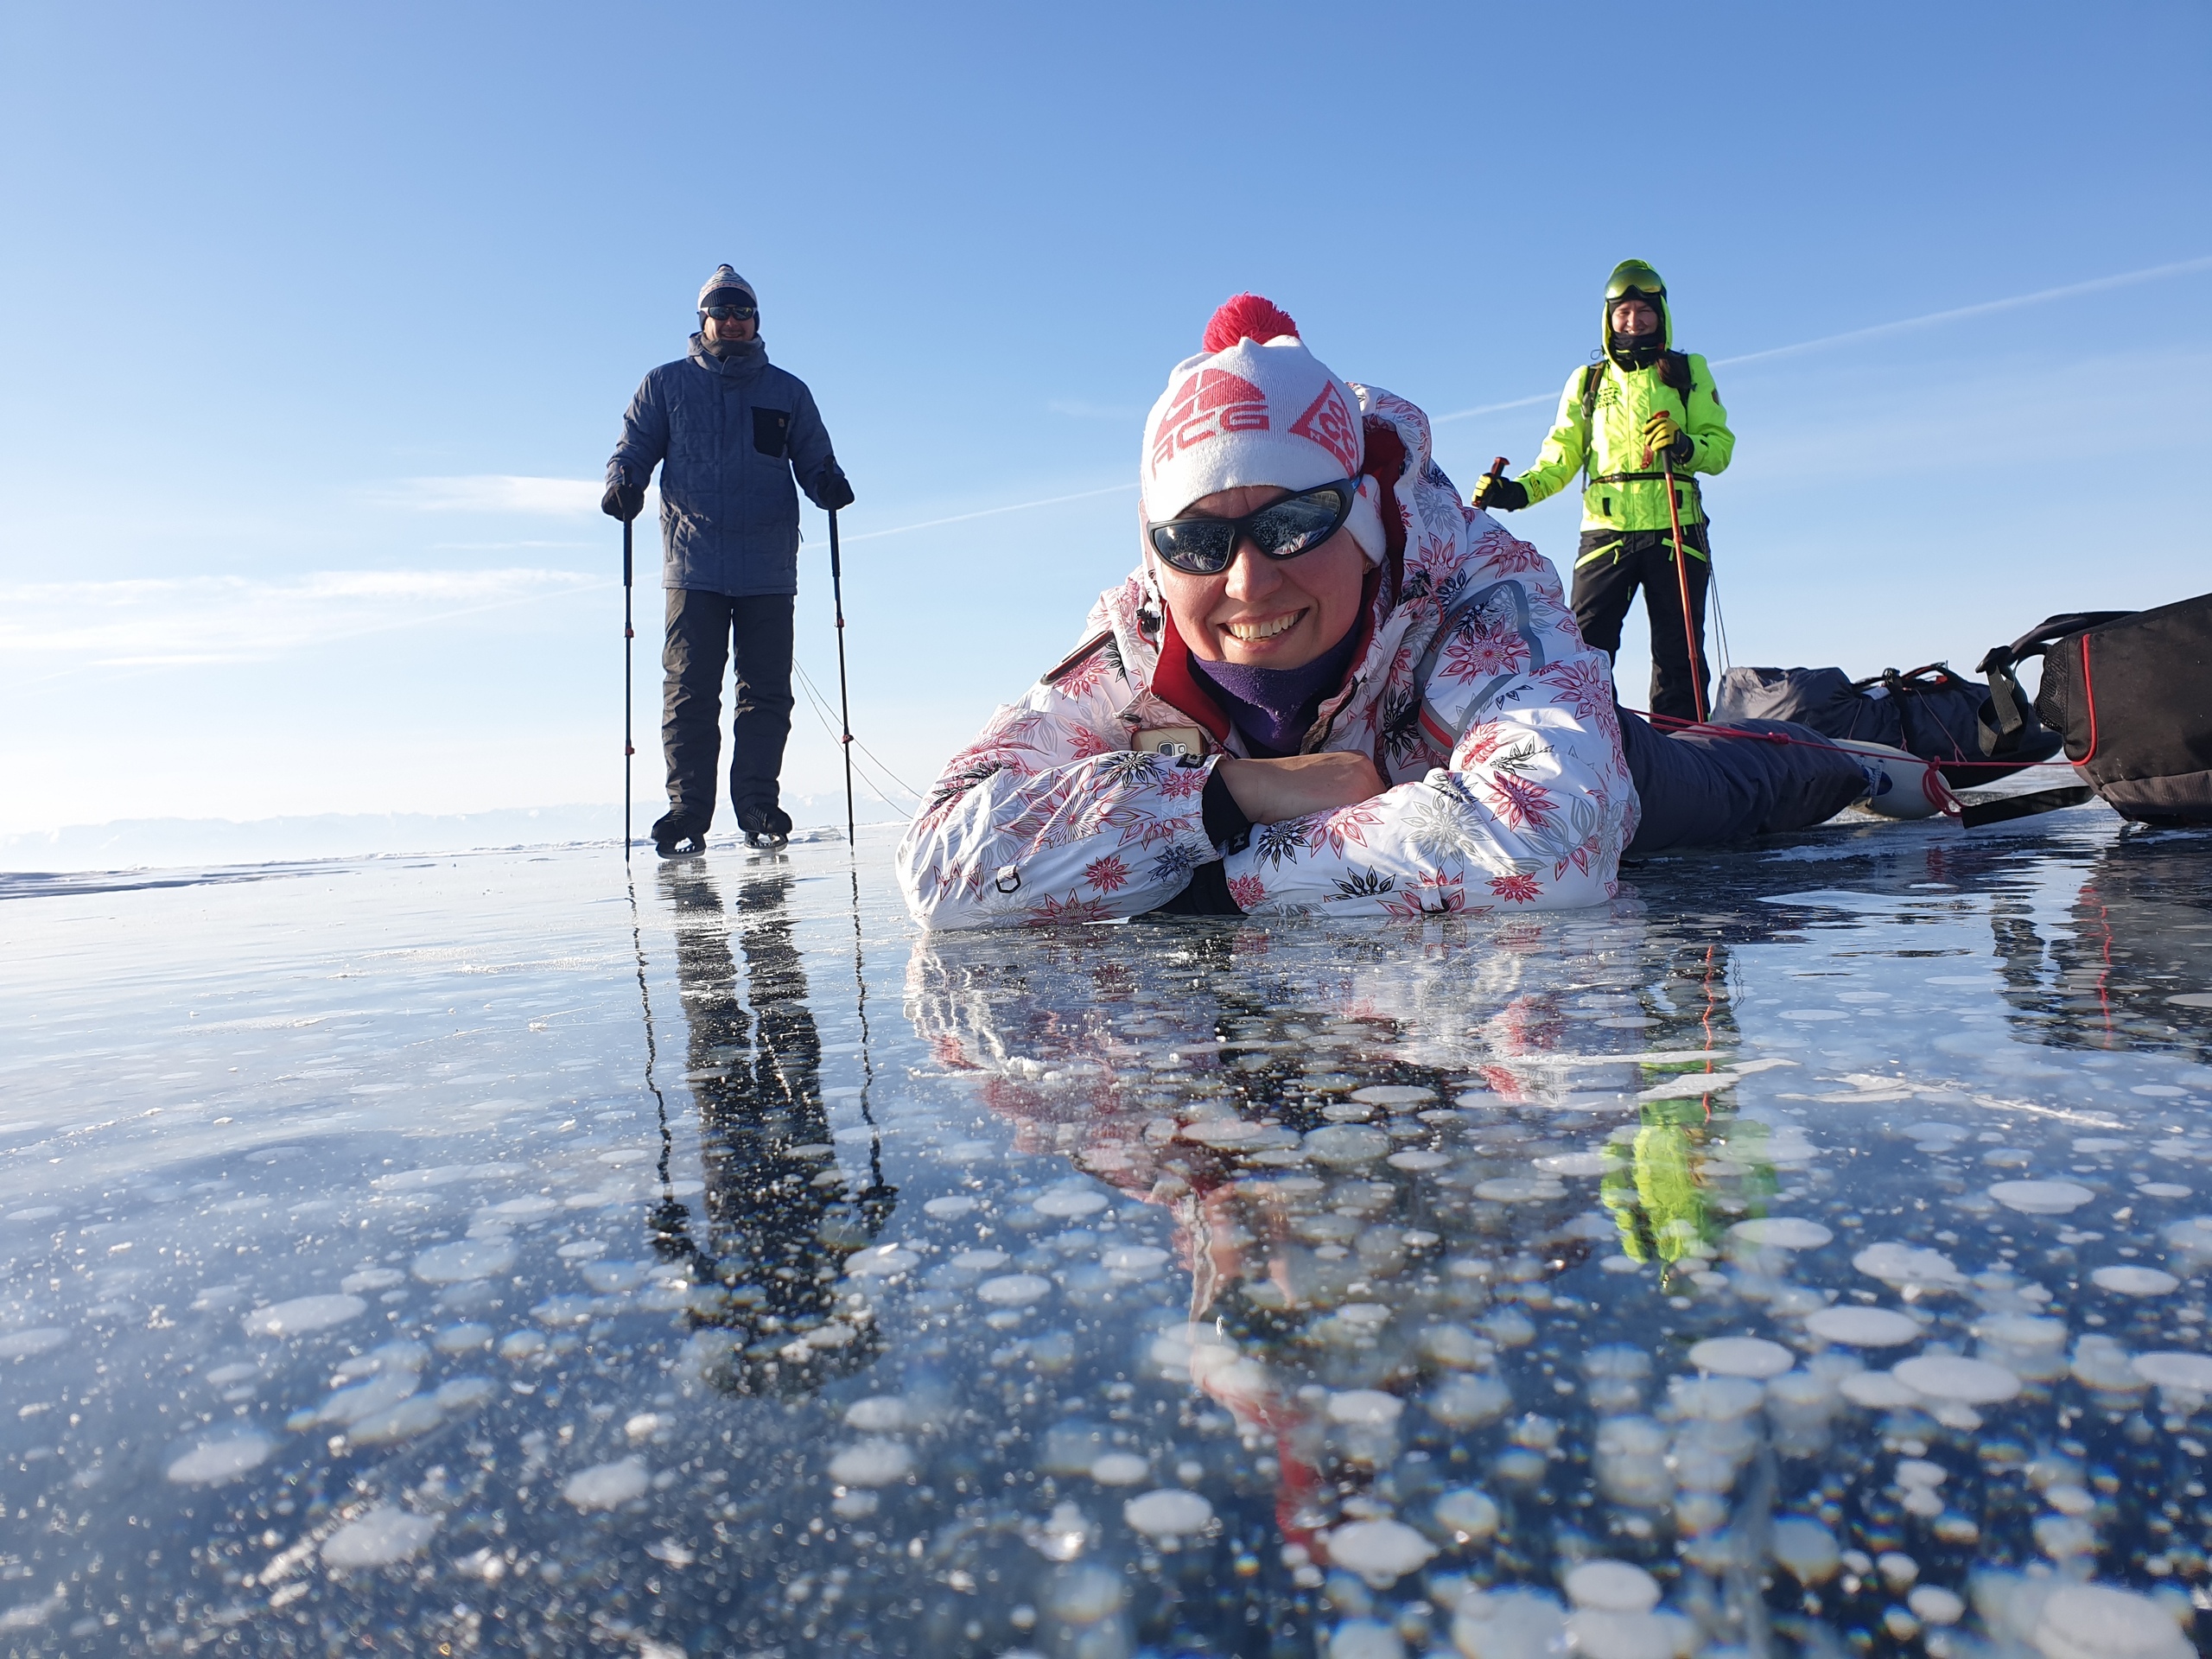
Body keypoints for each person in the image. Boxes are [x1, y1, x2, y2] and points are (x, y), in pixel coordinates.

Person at [897, 294, 1867, 932]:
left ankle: (1867, 751)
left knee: (1743, 785)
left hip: (1579, 754)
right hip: (1413, 798)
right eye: (1195, 540)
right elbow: (938, 864)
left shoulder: (1471, 591)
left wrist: (1205, 876)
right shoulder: (1133, 639)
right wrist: (1226, 799)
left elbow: (1553, 843)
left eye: (1290, 523)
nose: (1244, 584)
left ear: (1360, 518)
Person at [604, 265, 855, 855]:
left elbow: (814, 456)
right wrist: (623, 482)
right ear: (703, 320)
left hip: (768, 568)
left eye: (743, 311)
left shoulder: (787, 391)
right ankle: (687, 812)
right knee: (689, 692)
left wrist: (829, 482)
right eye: (722, 310)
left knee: (765, 692)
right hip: (693, 567)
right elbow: (633, 446)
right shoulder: (664, 385)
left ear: (756, 320)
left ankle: (758, 807)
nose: (733, 321)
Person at [1473, 260, 1735, 723]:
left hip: (1678, 530)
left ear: (1661, 315)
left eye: (1644, 311)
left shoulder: (1688, 370)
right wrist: (1514, 493)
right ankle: (1598, 744)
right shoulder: (1588, 381)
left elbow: (1720, 449)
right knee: (1585, 649)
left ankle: (1684, 752)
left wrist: (1685, 442)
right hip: (1607, 533)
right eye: (1623, 312)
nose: (1634, 321)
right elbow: (1560, 458)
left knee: (1682, 655)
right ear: (1609, 319)